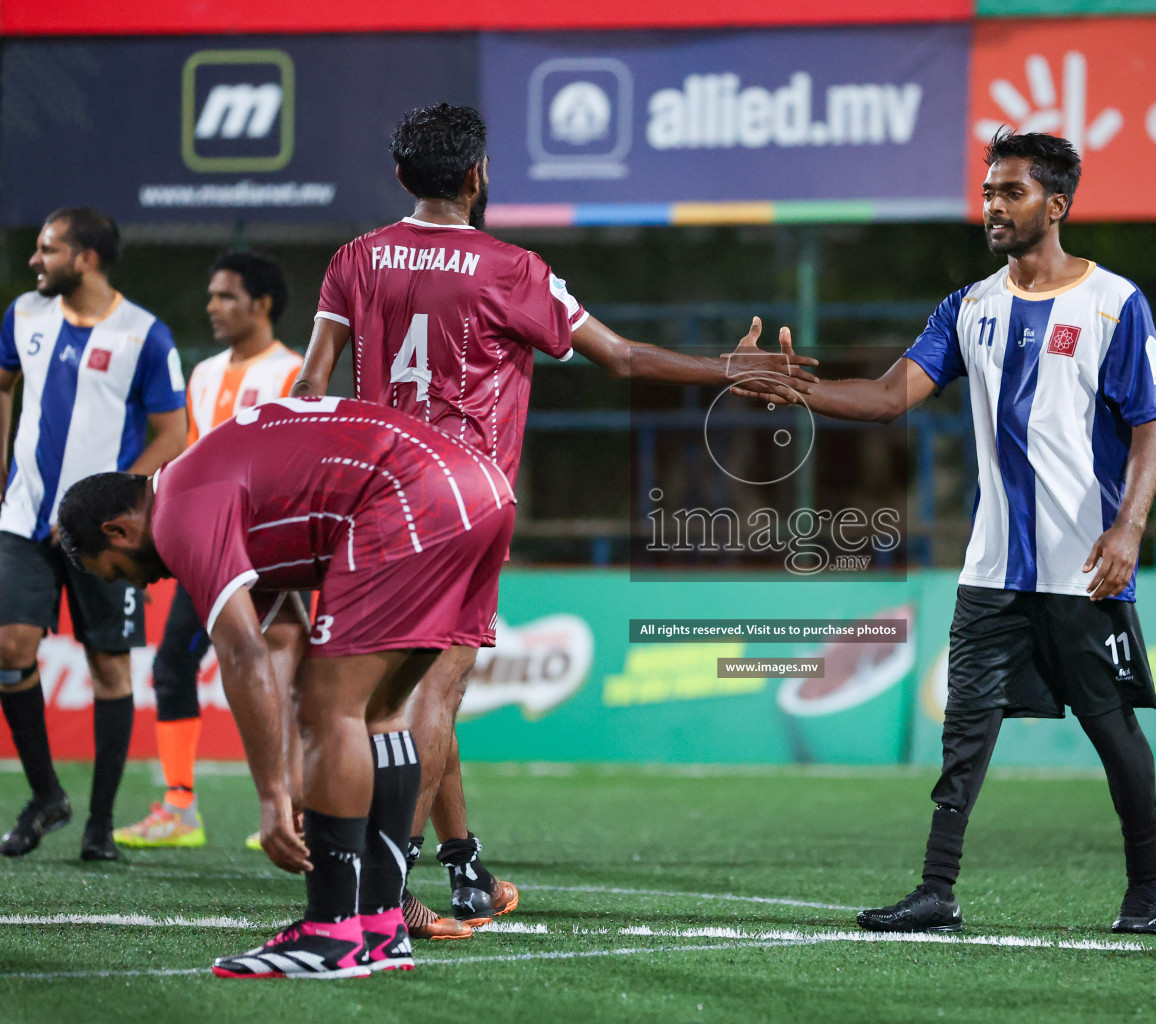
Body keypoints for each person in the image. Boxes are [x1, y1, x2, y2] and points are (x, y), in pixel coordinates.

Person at [293, 103, 815, 939]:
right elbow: (627, 358)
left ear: (400, 178)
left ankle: (459, 871)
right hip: (459, 503)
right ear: (476, 177)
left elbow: (312, 386)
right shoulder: (511, 268)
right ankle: (382, 899)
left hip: (367, 497)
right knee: (430, 696)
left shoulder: (353, 260)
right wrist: (728, 369)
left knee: (402, 690)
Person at [735, 131, 1156, 934]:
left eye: (1011, 193)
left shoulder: (1115, 302)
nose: (993, 207)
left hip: (1083, 566)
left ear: (1057, 204)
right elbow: (884, 398)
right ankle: (937, 888)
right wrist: (796, 391)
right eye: (987, 193)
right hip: (991, 570)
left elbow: (1152, 425)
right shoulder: (968, 307)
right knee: (965, 727)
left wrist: (1129, 529)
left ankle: (1151, 887)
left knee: (1112, 731)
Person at [58, 396, 519, 978]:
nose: (144, 583)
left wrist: (274, 798)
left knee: (334, 707)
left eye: (120, 572)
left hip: (414, 497)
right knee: (379, 709)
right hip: (481, 491)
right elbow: (280, 642)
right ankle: (379, 927)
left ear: (117, 529)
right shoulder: (222, 483)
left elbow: (243, 653)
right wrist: (300, 775)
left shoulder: (179, 512)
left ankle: (329, 934)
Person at [0, 207, 187, 861]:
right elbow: (3, 386)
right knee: (9, 644)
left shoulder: (146, 336)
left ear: (86, 259)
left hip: (103, 536)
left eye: (47, 249)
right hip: (23, 518)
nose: (35, 260)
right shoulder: (23, 315)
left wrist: (115, 499)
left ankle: (99, 826)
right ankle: (46, 794)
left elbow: (172, 433)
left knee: (109, 667)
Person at [114, 251, 304, 850]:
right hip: (208, 554)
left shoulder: (294, 371)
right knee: (172, 666)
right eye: (212, 296)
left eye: (226, 296)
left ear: (262, 303)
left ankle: (292, 809)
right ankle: (178, 806)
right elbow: (189, 461)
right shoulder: (202, 374)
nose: (212, 307)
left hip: (273, 552)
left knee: (290, 679)